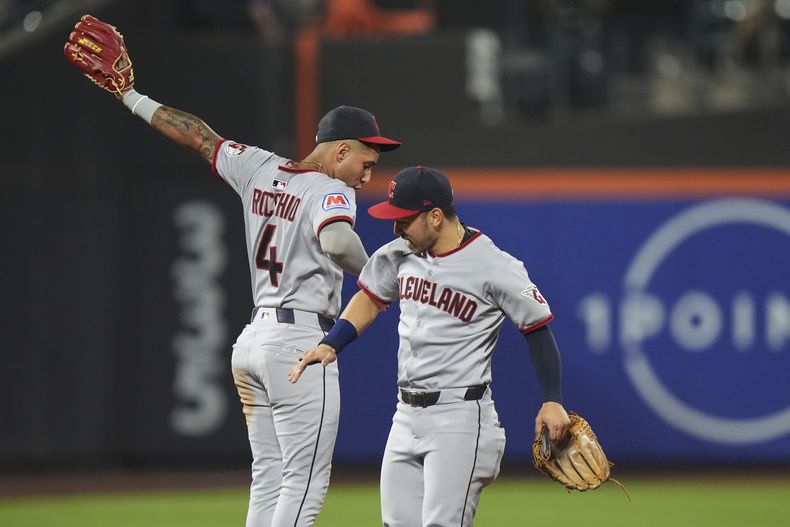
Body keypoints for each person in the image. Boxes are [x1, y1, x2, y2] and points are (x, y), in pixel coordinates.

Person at [65, 17, 400, 526]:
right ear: (340, 150)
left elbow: (199, 135)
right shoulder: (333, 189)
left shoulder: (259, 167)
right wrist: (381, 272)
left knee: (268, 475)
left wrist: (130, 95)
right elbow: (336, 241)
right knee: (304, 482)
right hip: (299, 345)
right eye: (366, 159)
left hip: (252, 343)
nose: (368, 172)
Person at [289, 166, 571, 526]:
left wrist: (553, 400)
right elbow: (370, 297)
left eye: (404, 219)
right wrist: (333, 342)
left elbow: (537, 329)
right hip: (405, 415)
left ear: (435, 216)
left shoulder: (494, 266)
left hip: (461, 417)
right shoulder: (399, 253)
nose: (396, 228)